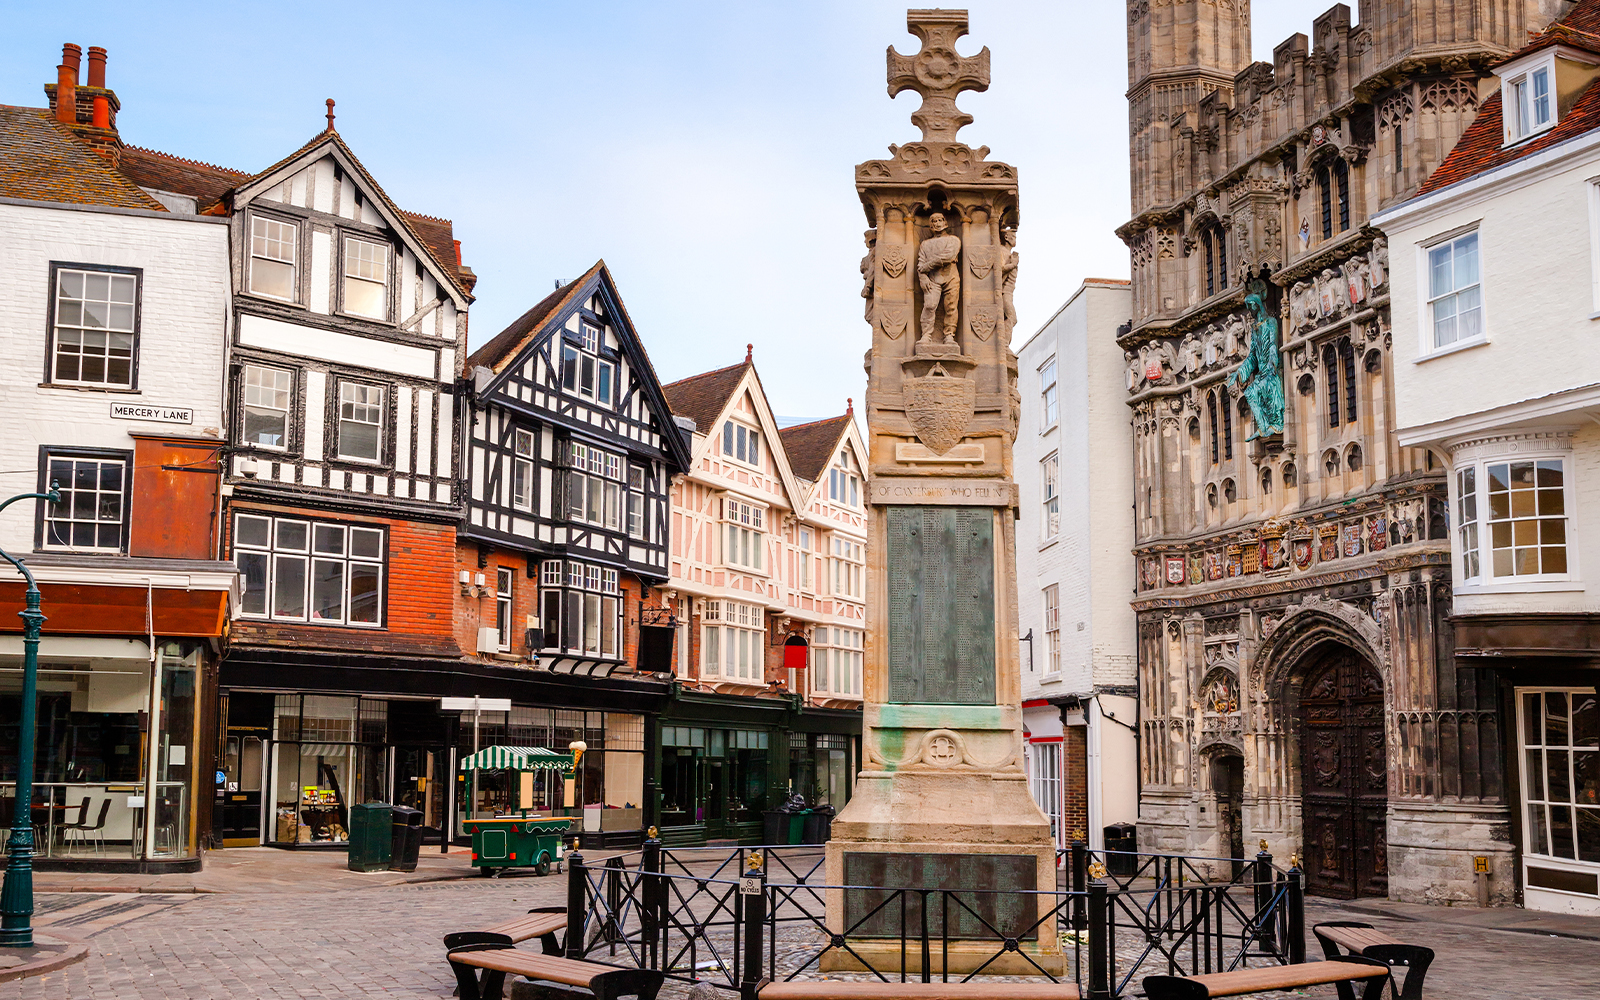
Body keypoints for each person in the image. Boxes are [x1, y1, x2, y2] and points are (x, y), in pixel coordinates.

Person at [1228, 292, 1285, 440]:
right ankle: (1263, 427)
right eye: (1247, 307)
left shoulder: (1270, 322)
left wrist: (1272, 365)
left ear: (1257, 305)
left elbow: (1273, 345)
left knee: (1269, 388)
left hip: (1271, 369)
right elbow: (1252, 355)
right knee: (1250, 392)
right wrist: (1239, 373)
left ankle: (1277, 425)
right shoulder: (1254, 328)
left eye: (1250, 306)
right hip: (1262, 371)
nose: (1249, 310)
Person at [917, 212, 961, 344]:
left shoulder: (953, 240)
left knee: (951, 306)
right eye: (933, 221)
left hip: (950, 277)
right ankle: (926, 334)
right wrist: (922, 277)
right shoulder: (925, 244)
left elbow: (948, 256)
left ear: (945, 223)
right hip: (932, 279)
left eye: (939, 220)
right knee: (930, 305)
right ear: (930, 225)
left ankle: (949, 335)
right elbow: (920, 263)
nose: (937, 224)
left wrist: (928, 265)